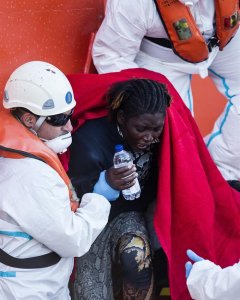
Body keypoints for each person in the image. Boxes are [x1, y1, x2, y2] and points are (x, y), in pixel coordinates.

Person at [92, 0, 240, 185]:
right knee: (176, 132)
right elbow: (110, 55)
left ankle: (223, 175)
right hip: (160, 58)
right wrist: (143, 93)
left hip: (224, 40)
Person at [0, 61, 111, 300]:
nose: (69, 126)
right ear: (30, 120)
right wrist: (100, 198)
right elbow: (74, 240)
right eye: (59, 119)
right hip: (31, 289)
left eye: (69, 115)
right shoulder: (31, 174)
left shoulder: (12, 152)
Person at [68, 78, 171, 299]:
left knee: (137, 262)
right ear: (122, 118)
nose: (149, 137)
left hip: (132, 214)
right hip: (92, 221)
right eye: (141, 128)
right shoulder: (90, 141)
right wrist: (105, 182)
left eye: (156, 129)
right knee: (91, 293)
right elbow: (71, 193)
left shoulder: (165, 137)